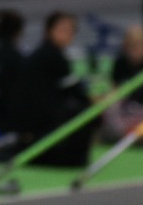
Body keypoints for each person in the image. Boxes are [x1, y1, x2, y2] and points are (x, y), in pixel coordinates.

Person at [13, 12, 94, 167]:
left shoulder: (48, 53)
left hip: (37, 120)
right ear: (49, 30)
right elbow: (76, 92)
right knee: (86, 111)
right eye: (62, 29)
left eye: (71, 30)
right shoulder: (51, 55)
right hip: (39, 122)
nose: (67, 34)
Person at [102, 25, 143, 144]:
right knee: (111, 106)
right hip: (127, 110)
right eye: (132, 45)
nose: (136, 49)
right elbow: (114, 88)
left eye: (140, 44)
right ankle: (126, 135)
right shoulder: (120, 63)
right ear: (125, 46)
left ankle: (142, 136)